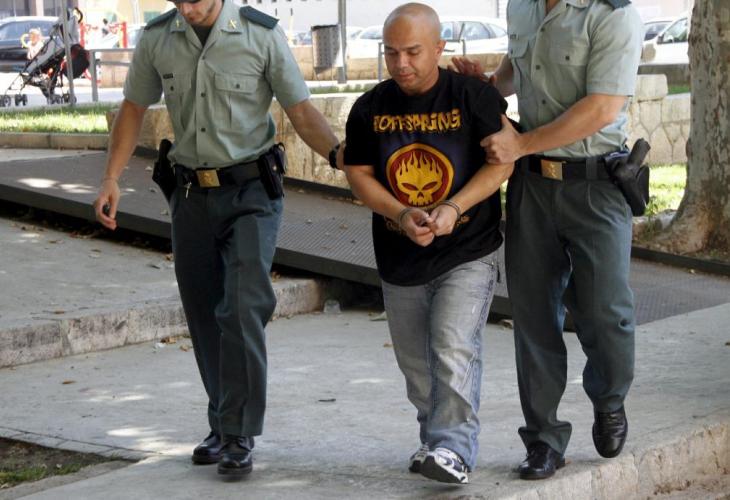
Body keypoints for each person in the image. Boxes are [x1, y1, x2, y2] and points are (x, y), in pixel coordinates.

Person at [93, 0, 340, 479]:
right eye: (179, 0)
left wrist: (338, 154)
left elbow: (301, 109)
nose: (188, 8)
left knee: (243, 305)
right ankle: (224, 421)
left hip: (251, 193)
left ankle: (237, 433)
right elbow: (133, 108)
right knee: (204, 313)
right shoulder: (158, 38)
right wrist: (110, 178)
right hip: (190, 196)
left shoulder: (260, 35)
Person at [452, 0, 643, 481]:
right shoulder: (523, 6)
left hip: (596, 185)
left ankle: (610, 398)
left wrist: (520, 144)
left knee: (607, 312)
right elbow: (518, 69)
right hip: (532, 187)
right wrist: (490, 84)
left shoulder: (613, 14)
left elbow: (602, 107)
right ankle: (543, 438)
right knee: (534, 315)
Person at [343, 3, 513, 485]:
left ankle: (454, 447)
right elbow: (358, 173)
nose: (401, 64)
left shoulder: (473, 96)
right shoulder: (369, 108)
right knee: (416, 364)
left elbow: (503, 160)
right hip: (399, 255)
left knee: (452, 345)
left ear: (439, 48)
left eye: (413, 52)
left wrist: (454, 208)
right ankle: (434, 439)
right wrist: (399, 212)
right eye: (391, 53)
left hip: (468, 249)